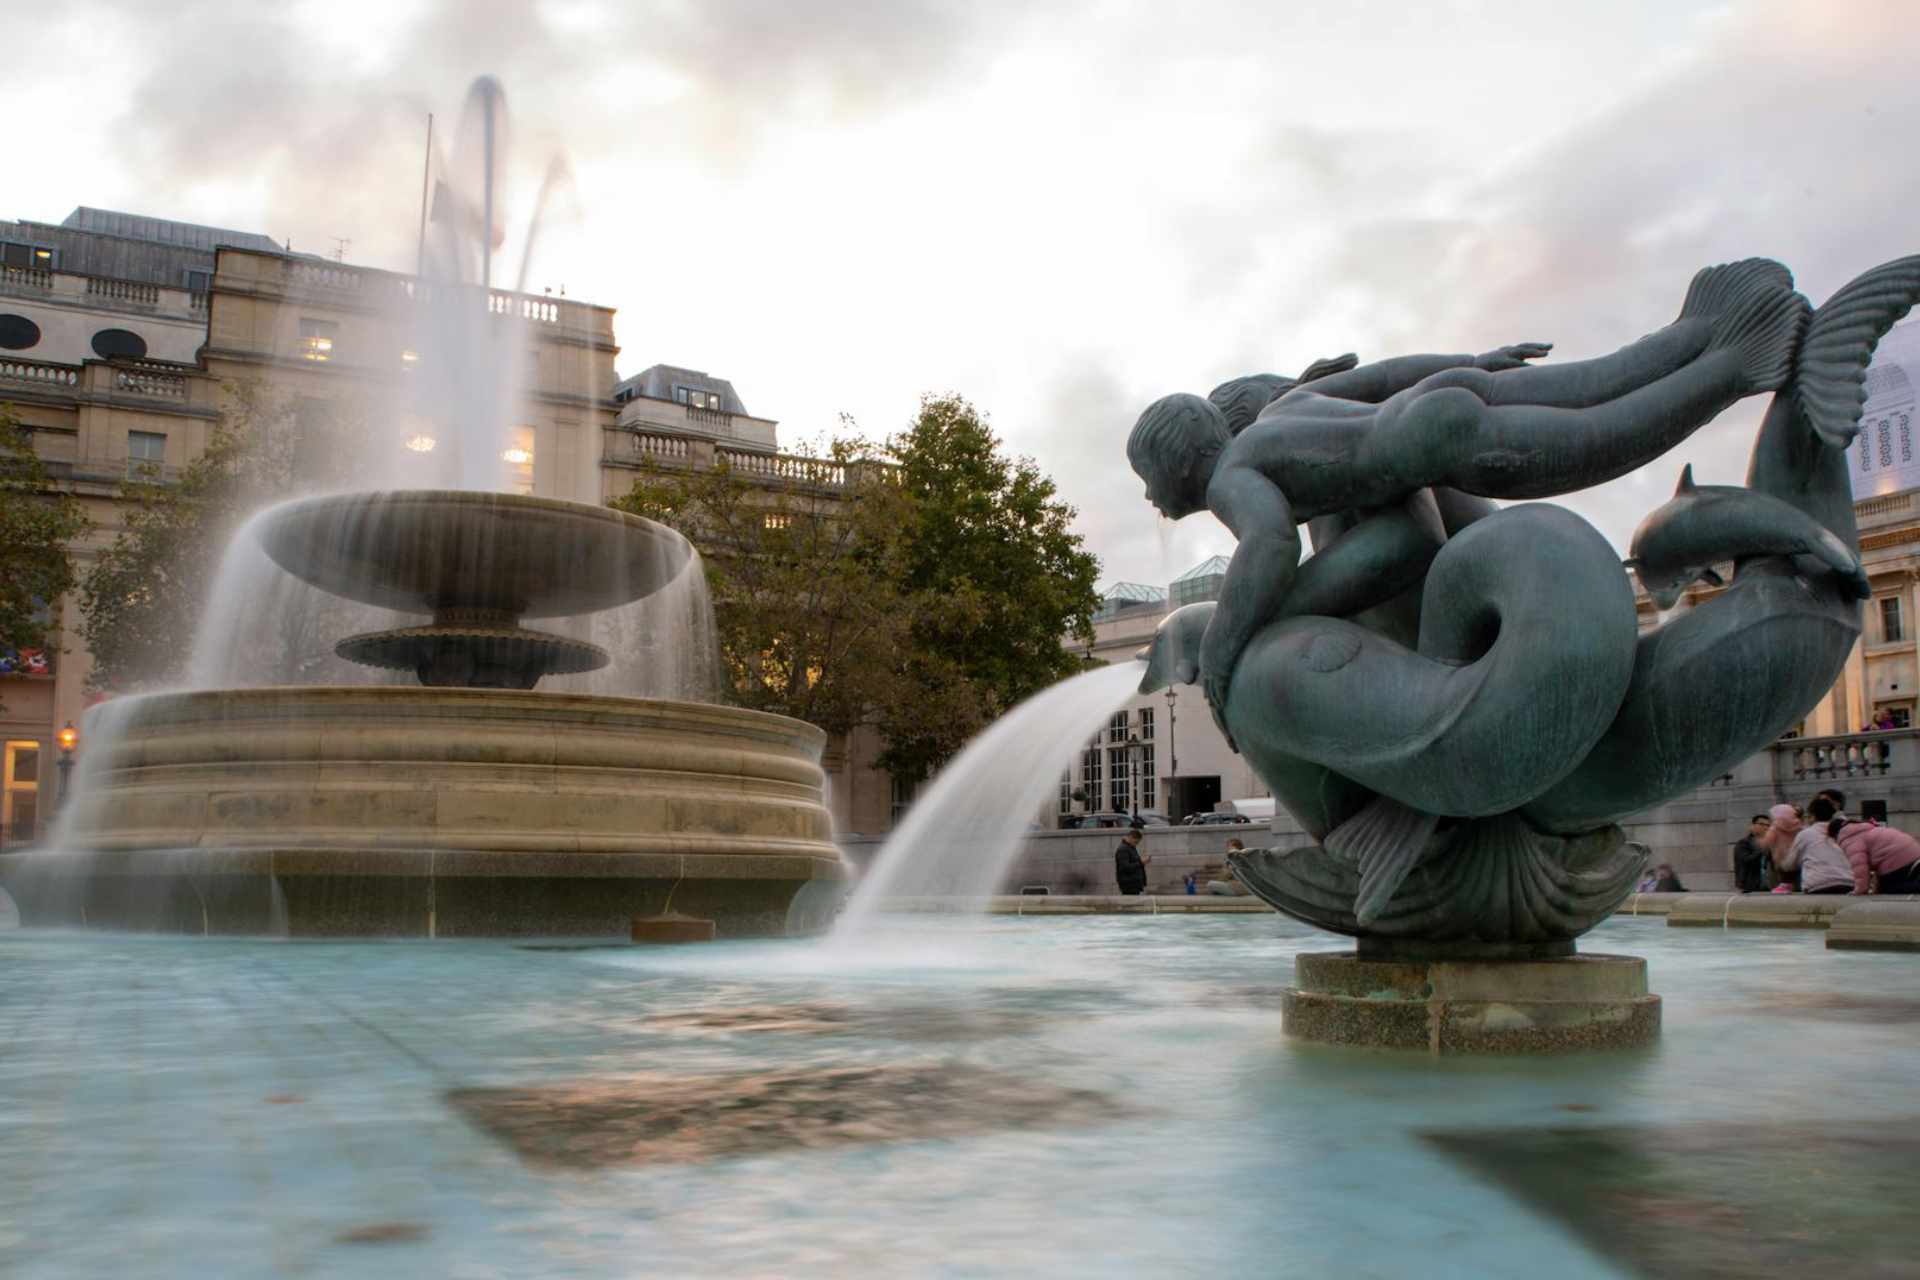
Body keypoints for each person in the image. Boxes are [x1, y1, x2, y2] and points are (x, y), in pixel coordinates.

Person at [1127, 260, 1809, 731]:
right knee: (1589, 385)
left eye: (1148, 479)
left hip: (1440, 448)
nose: (1151, 498)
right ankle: (1703, 325)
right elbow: (1386, 375)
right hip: (1437, 406)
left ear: (1179, 463)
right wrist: (1472, 363)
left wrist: (1223, 646)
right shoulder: (1284, 414)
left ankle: (1735, 366)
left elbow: (1269, 544)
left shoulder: (1231, 481)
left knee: (1601, 439)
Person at [1831, 813, 1920, 895]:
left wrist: (1860, 890)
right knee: (1890, 885)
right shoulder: (1864, 829)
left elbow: (1859, 867)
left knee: (1892, 889)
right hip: (1911, 851)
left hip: (1897, 860)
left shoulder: (1849, 839)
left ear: (1834, 836)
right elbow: (1879, 861)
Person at [1796, 796, 1855, 894]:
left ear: (1813, 816)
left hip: (1817, 885)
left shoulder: (1805, 834)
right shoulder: (1843, 830)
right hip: (1849, 882)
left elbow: (1791, 863)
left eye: (1808, 816)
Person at [1732, 814, 1772, 893]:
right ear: (1752, 826)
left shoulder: (1770, 843)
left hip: (1768, 886)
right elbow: (1746, 861)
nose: (1765, 827)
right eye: (1761, 824)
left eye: (1768, 825)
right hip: (1749, 887)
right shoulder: (1743, 843)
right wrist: (1762, 849)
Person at [1113, 828, 1150, 896]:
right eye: (1135, 842)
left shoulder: (1130, 848)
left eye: (1137, 843)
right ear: (1130, 837)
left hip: (1133, 883)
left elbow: (1133, 862)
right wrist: (1141, 862)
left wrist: (1142, 861)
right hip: (1129, 884)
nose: (1136, 844)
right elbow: (1125, 867)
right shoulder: (1123, 849)